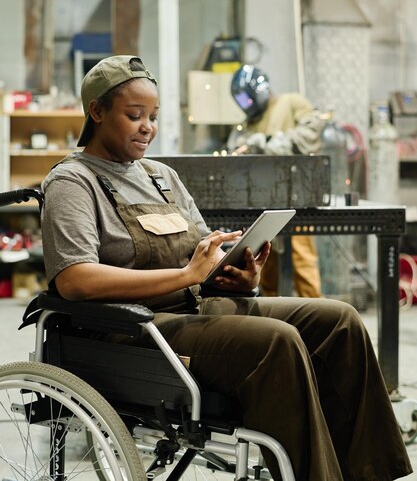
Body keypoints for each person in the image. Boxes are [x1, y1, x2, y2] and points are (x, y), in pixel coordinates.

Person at [41, 55, 412, 481]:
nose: (148, 127)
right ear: (97, 111)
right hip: (133, 329)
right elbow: (75, 280)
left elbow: (204, 252)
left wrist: (237, 277)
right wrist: (185, 276)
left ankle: (371, 472)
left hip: (196, 310)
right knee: (278, 342)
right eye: (134, 115)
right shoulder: (73, 182)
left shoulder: (160, 176)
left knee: (340, 322)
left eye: (154, 116)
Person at [227, 64, 323, 298]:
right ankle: (271, 322)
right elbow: (233, 150)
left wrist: (268, 142)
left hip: (297, 199)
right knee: (263, 264)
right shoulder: (248, 123)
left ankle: (318, 320)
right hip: (261, 203)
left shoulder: (292, 102)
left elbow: (311, 133)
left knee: (302, 261)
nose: (246, 106)